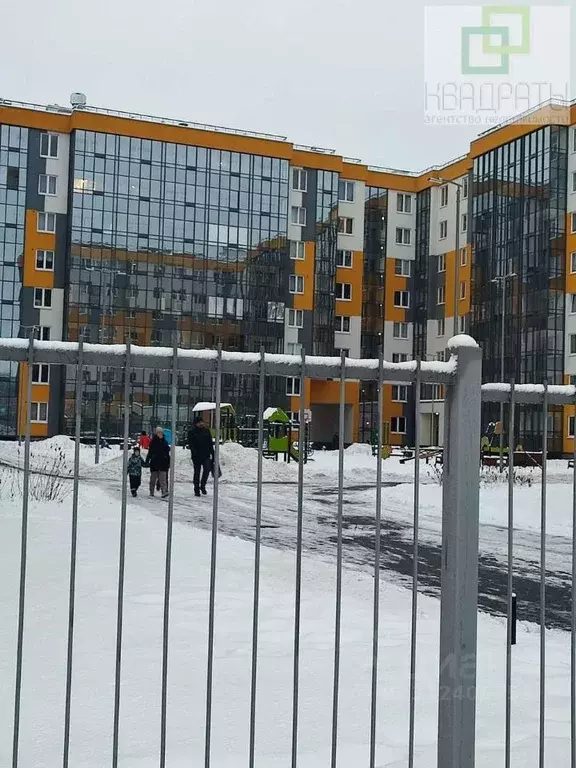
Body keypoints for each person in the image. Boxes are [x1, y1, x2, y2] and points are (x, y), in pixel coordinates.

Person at [187, 415, 214, 497]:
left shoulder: (206, 431)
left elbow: (210, 443)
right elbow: (191, 444)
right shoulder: (192, 432)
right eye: (199, 422)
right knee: (197, 473)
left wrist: (212, 453)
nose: (201, 424)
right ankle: (196, 489)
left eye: (201, 422)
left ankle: (202, 485)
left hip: (206, 455)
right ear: (195, 424)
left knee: (207, 469)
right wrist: (194, 452)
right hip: (197, 456)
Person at [146, 426, 170, 498]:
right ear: (156, 433)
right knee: (153, 479)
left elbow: (167, 452)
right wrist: (147, 460)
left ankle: (164, 492)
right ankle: (151, 491)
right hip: (154, 463)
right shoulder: (153, 442)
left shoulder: (165, 442)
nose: (160, 434)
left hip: (163, 463)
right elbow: (150, 452)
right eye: (158, 432)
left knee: (163, 479)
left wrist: (168, 461)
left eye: (161, 432)